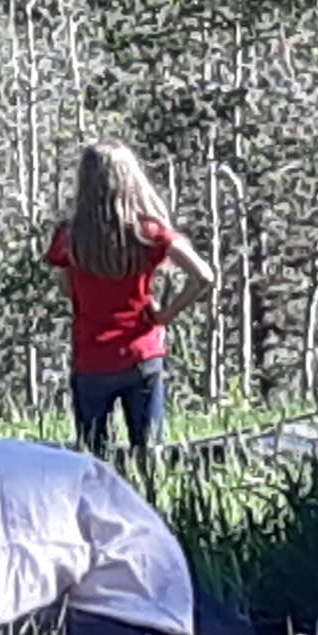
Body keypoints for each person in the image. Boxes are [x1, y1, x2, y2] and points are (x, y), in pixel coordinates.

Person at [44, 142, 212, 468]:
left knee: (93, 460)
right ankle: (151, 511)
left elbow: (66, 288)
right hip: (141, 355)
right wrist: (165, 315)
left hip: (91, 358)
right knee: (149, 454)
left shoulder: (69, 237)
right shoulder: (150, 232)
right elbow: (204, 276)